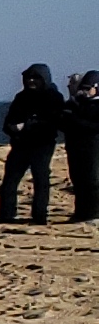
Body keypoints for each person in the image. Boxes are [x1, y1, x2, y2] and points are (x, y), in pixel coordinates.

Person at [0, 62, 66, 225]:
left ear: (44, 79)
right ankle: (6, 214)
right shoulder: (21, 97)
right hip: (20, 144)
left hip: (42, 144)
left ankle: (39, 215)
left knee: (41, 179)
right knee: (10, 180)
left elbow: (52, 120)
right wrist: (13, 128)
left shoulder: (53, 96)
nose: (31, 81)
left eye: (36, 77)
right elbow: (8, 121)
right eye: (28, 77)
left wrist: (27, 125)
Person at [69, 70, 99, 225]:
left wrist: (76, 121)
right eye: (83, 88)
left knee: (92, 180)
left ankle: (94, 213)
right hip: (76, 147)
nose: (85, 92)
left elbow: (95, 126)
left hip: (94, 147)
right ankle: (81, 212)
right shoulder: (78, 104)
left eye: (88, 88)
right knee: (78, 180)